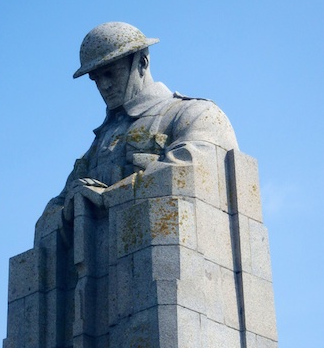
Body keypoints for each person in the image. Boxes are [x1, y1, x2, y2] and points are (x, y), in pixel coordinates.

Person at [47, 22, 238, 222]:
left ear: (142, 62)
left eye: (111, 73)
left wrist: (108, 196)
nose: (104, 85)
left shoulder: (196, 114)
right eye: (96, 79)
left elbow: (195, 175)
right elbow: (51, 213)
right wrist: (70, 209)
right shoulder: (95, 149)